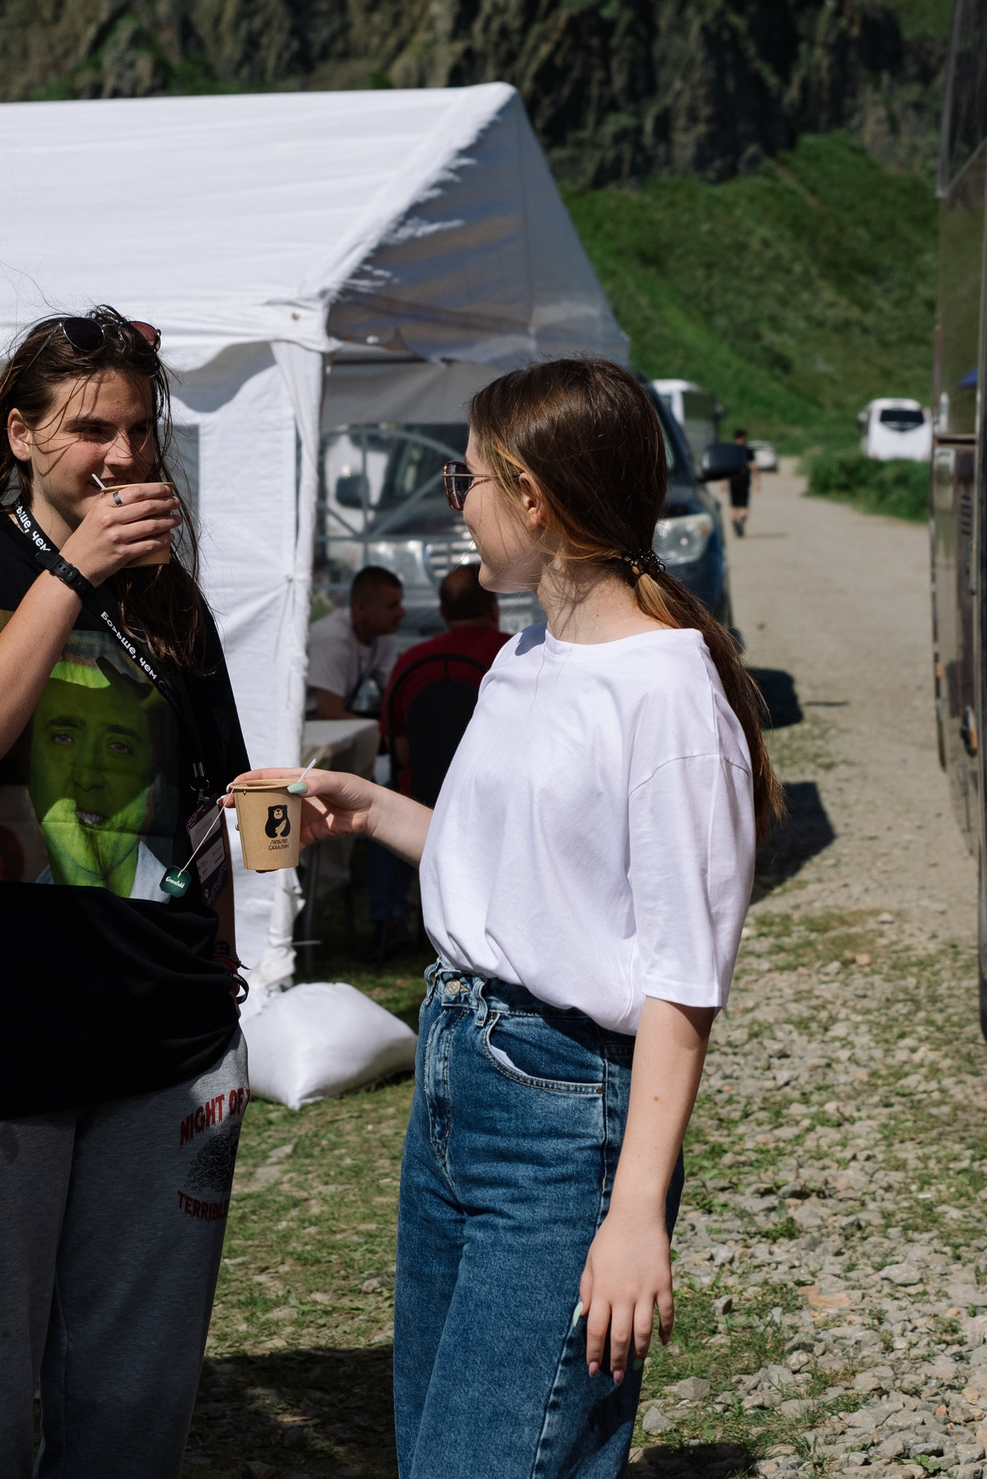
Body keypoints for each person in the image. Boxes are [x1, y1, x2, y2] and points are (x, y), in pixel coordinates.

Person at [252, 356, 782, 1479]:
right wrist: (378, 810)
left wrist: (635, 1206)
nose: (461, 505)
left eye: (469, 481)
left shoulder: (667, 692)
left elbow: (682, 981)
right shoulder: (530, 651)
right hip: (457, 1067)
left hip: (560, 1109)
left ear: (533, 499)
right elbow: (524, 870)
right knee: (446, 1445)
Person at [0, 308, 251, 1479]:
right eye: (93, 427)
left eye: (141, 428)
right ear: (22, 431)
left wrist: (224, 976)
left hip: (165, 1051)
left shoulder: (168, 597)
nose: (125, 454)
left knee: (131, 1410)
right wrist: (71, 571)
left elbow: (207, 807)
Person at [379, 562, 511, 805]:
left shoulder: (411, 661)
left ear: (442, 612)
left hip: (422, 802)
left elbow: (400, 752)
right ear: (494, 610)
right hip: (497, 800)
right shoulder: (517, 655)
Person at [308, 566, 405, 719]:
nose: (401, 612)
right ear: (361, 608)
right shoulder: (333, 637)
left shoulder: (384, 635)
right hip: (303, 726)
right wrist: (377, 733)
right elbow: (328, 713)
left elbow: (395, 700)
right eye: (392, 605)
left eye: (400, 604)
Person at [718, 426, 756, 537]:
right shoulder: (747, 450)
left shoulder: (731, 450)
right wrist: (758, 481)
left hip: (733, 480)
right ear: (743, 437)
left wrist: (722, 482)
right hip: (745, 480)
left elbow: (725, 467)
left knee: (734, 506)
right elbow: (753, 466)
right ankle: (741, 522)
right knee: (744, 505)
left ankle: (735, 523)